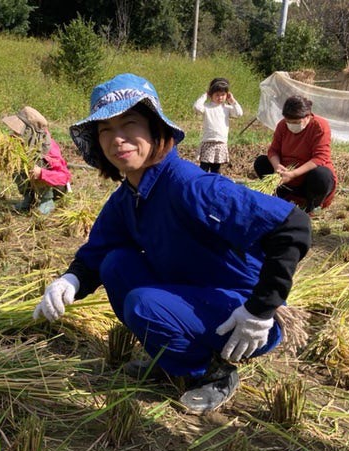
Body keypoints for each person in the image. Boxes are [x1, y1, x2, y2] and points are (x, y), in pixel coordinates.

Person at [32, 73, 311, 414]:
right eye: (105, 130)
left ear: (155, 129)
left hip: (239, 316)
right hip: (191, 297)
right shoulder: (127, 198)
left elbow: (293, 225)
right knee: (116, 263)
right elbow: (98, 252)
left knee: (143, 303)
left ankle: (212, 372)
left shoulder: (192, 186)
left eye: (129, 124)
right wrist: (69, 281)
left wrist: (260, 310)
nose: (117, 139)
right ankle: (170, 356)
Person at [253, 95, 337, 213]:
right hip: (286, 177)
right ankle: (282, 198)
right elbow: (273, 150)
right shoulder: (282, 125)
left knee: (322, 175)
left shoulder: (319, 126)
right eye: (289, 121)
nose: (291, 125)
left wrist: (293, 174)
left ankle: (311, 205)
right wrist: (277, 166)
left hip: (307, 177)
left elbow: (320, 157)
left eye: (296, 122)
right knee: (261, 162)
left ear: (307, 116)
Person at [193, 77, 243, 174]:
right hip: (208, 142)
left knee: (216, 170)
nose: (220, 97)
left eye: (223, 95)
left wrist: (232, 101)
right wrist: (204, 96)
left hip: (220, 143)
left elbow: (239, 113)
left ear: (227, 95)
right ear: (211, 95)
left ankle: (214, 187)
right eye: (217, 95)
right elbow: (196, 107)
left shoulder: (227, 108)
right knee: (203, 168)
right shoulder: (207, 107)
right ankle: (202, 186)